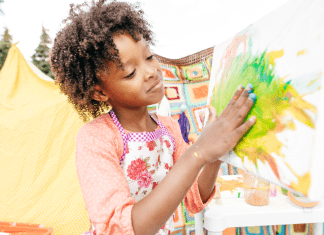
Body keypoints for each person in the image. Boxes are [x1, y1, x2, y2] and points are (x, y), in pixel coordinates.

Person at [49, 1, 257, 234]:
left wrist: (215, 154)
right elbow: (119, 229)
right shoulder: (97, 138)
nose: (151, 72)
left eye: (149, 57)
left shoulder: (168, 128)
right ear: (100, 92)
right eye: (130, 73)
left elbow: (195, 198)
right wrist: (198, 152)